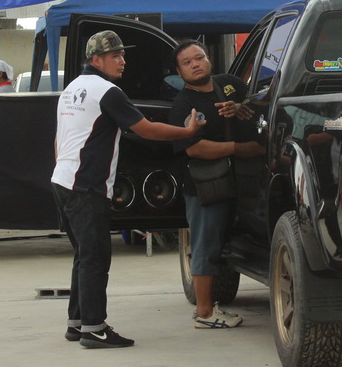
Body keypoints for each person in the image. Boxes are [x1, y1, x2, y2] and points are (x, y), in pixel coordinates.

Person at [52, 30, 205, 349]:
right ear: (96, 60)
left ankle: (78, 323)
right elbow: (146, 129)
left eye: (122, 54)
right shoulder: (107, 91)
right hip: (86, 186)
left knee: (84, 255)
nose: (122, 61)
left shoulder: (72, 88)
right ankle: (94, 329)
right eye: (115, 56)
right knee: (95, 259)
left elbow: (59, 138)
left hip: (63, 180)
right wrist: (188, 131)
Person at [169, 40, 264, 329]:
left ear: (209, 60)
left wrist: (242, 107)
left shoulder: (231, 84)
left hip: (245, 183)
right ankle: (205, 313)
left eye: (199, 58)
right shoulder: (183, 104)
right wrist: (239, 148)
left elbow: (259, 108)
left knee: (234, 241)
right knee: (205, 245)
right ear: (179, 72)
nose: (195, 64)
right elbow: (194, 148)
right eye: (187, 62)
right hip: (206, 186)